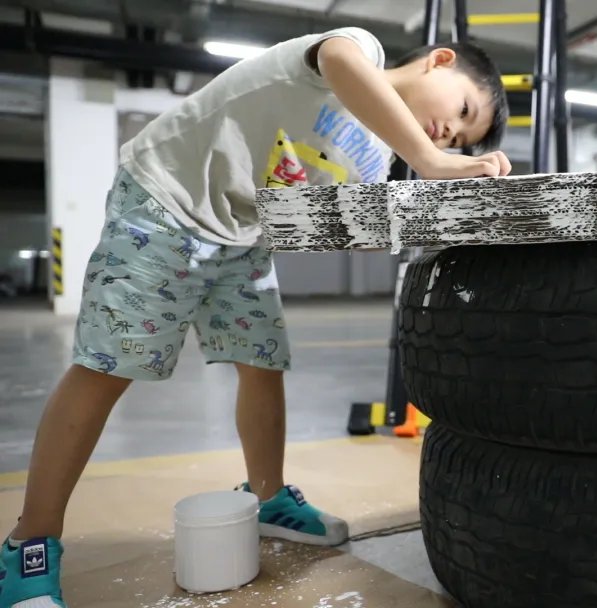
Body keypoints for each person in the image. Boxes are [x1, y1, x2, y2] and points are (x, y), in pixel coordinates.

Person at [0, 26, 511, 607]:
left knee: (262, 364)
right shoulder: (358, 50)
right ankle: (30, 542)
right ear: (436, 61)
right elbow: (340, 59)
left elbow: (344, 227)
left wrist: (424, 213)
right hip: (164, 203)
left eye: (463, 136)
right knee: (107, 367)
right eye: (462, 109)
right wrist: (430, 159)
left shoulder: (379, 157)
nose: (451, 132)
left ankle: (267, 498)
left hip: (240, 236)